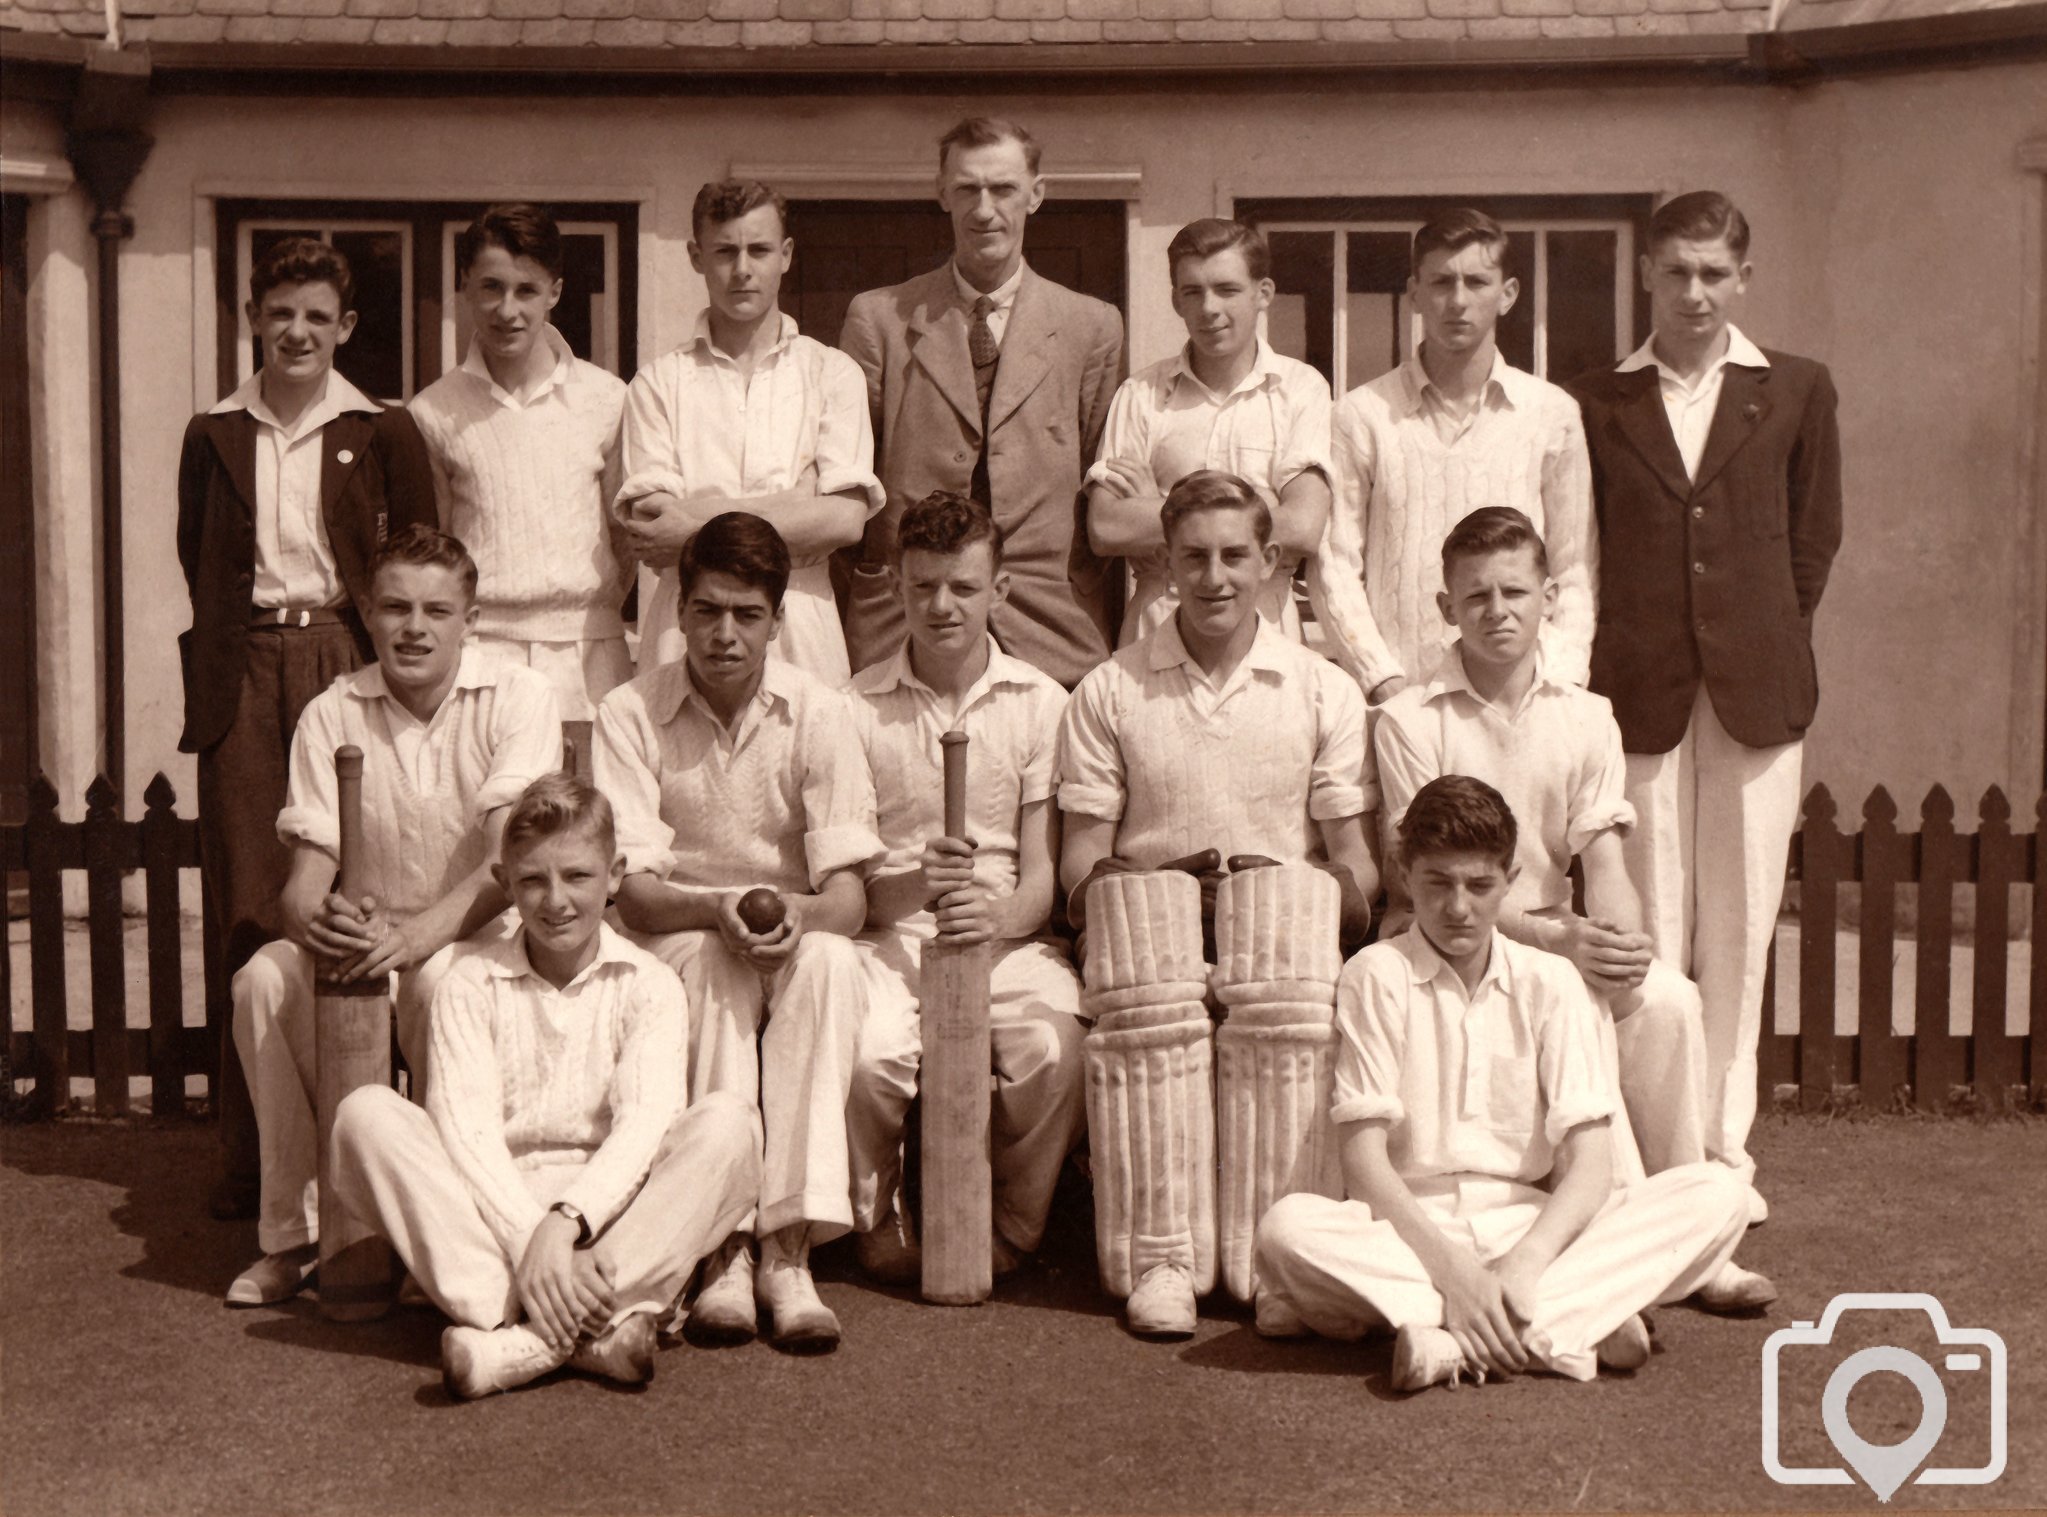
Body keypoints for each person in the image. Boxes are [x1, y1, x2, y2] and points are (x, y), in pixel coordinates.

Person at [1371, 507, 1774, 1311]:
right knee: (1574, 1000)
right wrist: (1561, 945)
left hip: (1550, 935)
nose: (1498, 611)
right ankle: (1621, 1244)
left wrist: (1617, 940)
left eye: (1514, 590)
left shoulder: (1585, 714)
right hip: (1443, 931)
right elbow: (1424, 877)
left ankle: (1692, 1232)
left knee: (1664, 997)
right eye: (1476, 595)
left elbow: (1605, 861)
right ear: (1446, 608)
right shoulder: (1408, 720)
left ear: (1548, 596)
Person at [1253, 776, 1753, 1391]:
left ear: (1510, 881)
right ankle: (1560, 1329)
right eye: (1438, 883)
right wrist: (1456, 1274)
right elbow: (1364, 1162)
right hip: (1407, 1232)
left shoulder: (1553, 982)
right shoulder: (1376, 973)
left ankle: (1449, 1340)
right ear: (1406, 877)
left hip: (1528, 1229)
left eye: (1480, 885)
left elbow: (1590, 1164)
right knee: (1286, 1231)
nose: (1458, 907)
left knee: (1716, 1193)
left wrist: (1522, 1265)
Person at [1565, 191, 1842, 1225]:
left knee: (1737, 929)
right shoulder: (1598, 400)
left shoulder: (1797, 390)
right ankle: (1646, 1153)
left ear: (1742, 278)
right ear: (1646, 273)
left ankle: (1723, 1150)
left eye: (1712, 274)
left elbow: (1812, 541)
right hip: (1635, 692)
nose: (1692, 292)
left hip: (1755, 694)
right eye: (1674, 271)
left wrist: (1759, 631)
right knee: (1648, 926)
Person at [1056, 470, 1379, 1336]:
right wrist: (1158, 892)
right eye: (1192, 557)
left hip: (1276, 941)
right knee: (1153, 982)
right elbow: (1079, 862)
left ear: (1270, 560)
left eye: (1236, 555)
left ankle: (1277, 1261)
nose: (1214, 577)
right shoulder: (1110, 689)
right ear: (1163, 563)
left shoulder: (1322, 688)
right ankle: (1160, 1256)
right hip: (1152, 941)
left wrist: (1281, 902)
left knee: (1283, 982)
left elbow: (1355, 865)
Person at [329, 774, 763, 1398]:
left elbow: (645, 1127)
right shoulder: (468, 983)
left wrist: (564, 1226)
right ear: (505, 885)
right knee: (363, 1116)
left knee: (731, 1125)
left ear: (615, 875)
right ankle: (598, 1331)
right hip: (492, 1224)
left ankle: (521, 1347)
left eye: (578, 877)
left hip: (609, 1224)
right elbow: (466, 1134)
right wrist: (531, 1239)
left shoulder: (648, 983)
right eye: (532, 880)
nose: (555, 901)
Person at [224, 525, 563, 1307]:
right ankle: (299, 1234)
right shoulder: (331, 711)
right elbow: (304, 880)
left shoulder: (518, 696)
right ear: (368, 616)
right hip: (375, 938)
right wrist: (322, 922)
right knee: (262, 980)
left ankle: (442, 1232)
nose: (415, 627)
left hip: (482, 934)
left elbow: (504, 862)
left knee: (442, 986)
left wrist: (415, 938)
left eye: (437, 610)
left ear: (469, 621)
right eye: (396, 607)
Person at [177, 236, 438, 1221]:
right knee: (254, 907)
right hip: (245, 665)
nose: (297, 331)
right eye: (281, 312)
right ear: (254, 317)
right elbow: (193, 548)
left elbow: (415, 550)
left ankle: (369, 1138)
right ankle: (254, 1159)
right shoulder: (214, 431)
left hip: (342, 647)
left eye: (317, 317)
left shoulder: (381, 428)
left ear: (346, 327)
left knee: (354, 882)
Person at [595, 511, 881, 1352]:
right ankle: (724, 1246)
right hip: (681, 939)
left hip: (790, 941)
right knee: (715, 962)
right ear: (678, 611)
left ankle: (787, 1252)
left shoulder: (821, 712)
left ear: (777, 620)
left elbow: (848, 897)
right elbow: (639, 897)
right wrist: (718, 908)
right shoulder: (628, 710)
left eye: (746, 615)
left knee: (829, 960)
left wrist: (798, 916)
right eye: (707, 610)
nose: (724, 634)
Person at [843, 491, 1085, 1282]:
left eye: (963, 587)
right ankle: (873, 1218)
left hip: (1005, 936)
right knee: (868, 1056)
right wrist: (916, 883)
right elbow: (853, 893)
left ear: (999, 590)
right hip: (891, 935)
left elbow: (1043, 879)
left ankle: (1010, 1224)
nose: (941, 606)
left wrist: (999, 913)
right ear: (899, 588)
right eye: (922, 587)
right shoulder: (852, 707)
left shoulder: (1041, 703)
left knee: (1053, 1048)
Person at [840, 116, 1125, 688]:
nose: (984, 209)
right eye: (967, 188)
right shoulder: (879, 320)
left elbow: (1098, 478)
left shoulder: (1091, 326)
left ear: (1036, 195)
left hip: (1048, 620)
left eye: (1003, 189)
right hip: (909, 615)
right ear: (941, 193)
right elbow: (853, 482)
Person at [1307, 207, 1596, 703]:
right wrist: (1381, 679)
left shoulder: (1551, 414)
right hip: (1401, 701)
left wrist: (1562, 681)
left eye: (1477, 282)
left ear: (1507, 295)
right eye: (1441, 282)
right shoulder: (1362, 415)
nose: (1457, 301)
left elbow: (1574, 568)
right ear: (1415, 293)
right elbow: (1335, 564)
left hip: (1521, 701)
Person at [615, 180, 882, 681]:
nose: (742, 270)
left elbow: (845, 522)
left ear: (785, 255)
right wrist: (795, 506)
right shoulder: (658, 381)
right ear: (696, 256)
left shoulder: (832, 373)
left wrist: (694, 519)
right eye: (724, 251)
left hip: (800, 624)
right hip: (687, 628)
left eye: (758, 250)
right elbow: (655, 529)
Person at [409, 203, 633, 722]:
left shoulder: (606, 398)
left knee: (588, 799)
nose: (507, 310)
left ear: (554, 291)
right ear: (465, 285)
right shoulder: (434, 410)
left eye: (526, 290)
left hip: (590, 655)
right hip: (481, 655)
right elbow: (436, 546)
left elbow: (626, 539)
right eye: (491, 287)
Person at [1087, 218, 1332, 646]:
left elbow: (1304, 525)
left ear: (1264, 294)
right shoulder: (1141, 394)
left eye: (1227, 289)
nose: (1209, 308)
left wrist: (1158, 509)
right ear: (1176, 300)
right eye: (1193, 292)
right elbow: (1106, 527)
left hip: (1267, 626)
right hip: (1160, 621)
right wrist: (1264, 505)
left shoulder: (1300, 389)